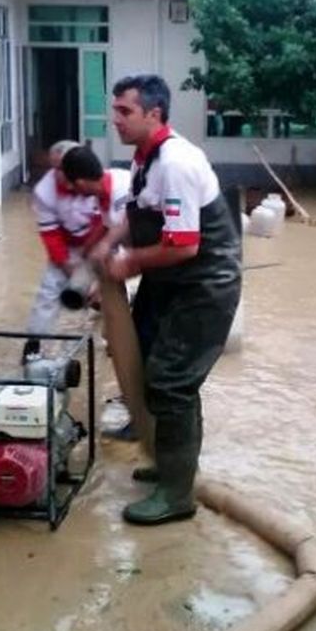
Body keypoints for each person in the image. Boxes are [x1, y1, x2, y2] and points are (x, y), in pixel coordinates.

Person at [90, 74, 241, 526]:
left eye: (124, 111)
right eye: (113, 109)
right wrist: (110, 241)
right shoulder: (144, 158)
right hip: (169, 280)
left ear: (154, 114)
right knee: (147, 362)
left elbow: (184, 245)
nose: (113, 118)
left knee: (172, 381)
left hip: (203, 285)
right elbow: (138, 211)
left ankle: (177, 494)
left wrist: (126, 264)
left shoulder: (176, 162)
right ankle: (167, 462)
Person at [58, 143, 137, 440]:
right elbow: (105, 233)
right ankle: (132, 399)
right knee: (116, 341)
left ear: (79, 183)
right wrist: (83, 260)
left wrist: (102, 288)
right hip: (136, 262)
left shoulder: (119, 194)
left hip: (155, 266)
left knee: (135, 342)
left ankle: (140, 417)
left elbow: (127, 242)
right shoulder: (108, 186)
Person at [22, 140, 124, 358]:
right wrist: (70, 268)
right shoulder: (44, 192)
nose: (61, 174)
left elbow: (106, 224)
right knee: (49, 291)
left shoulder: (97, 182)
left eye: (65, 168)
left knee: (111, 290)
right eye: (57, 168)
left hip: (101, 240)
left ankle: (115, 340)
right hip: (69, 247)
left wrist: (93, 259)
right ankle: (34, 344)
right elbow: (51, 236)